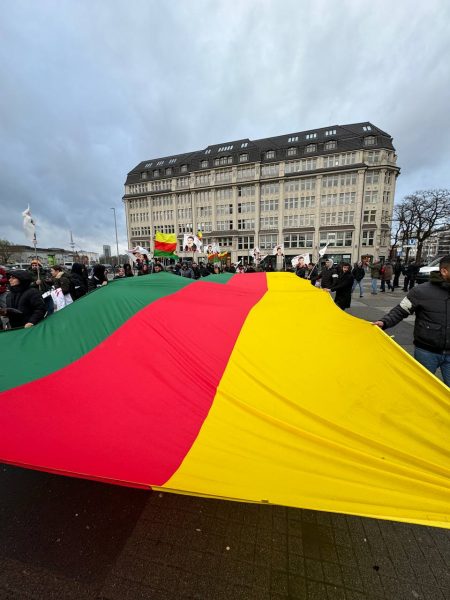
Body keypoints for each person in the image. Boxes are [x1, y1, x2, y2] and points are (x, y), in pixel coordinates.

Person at [373, 255, 450, 386]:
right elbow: (401, 310)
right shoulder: (421, 291)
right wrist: (384, 322)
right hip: (426, 351)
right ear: (444, 271)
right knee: (422, 387)